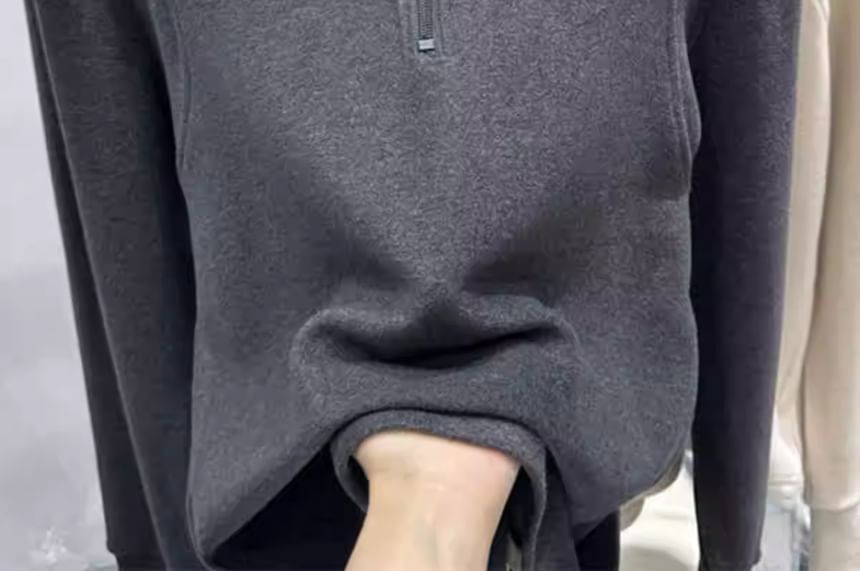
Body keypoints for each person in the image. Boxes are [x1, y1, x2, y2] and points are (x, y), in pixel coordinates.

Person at [24, 1, 800, 569]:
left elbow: (746, 102)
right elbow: (110, 153)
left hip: (551, 437)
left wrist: (731, 518)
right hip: (276, 459)